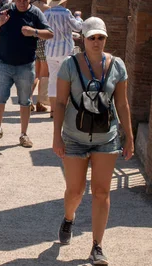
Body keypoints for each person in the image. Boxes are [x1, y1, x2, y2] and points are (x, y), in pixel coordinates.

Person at [52, 17, 134, 265]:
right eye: (92, 38)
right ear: (83, 39)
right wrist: (56, 136)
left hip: (106, 137)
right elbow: (59, 102)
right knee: (75, 190)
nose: (97, 42)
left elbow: (122, 103)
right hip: (75, 137)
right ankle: (69, 217)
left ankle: (97, 246)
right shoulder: (69, 65)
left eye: (101, 38)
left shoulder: (117, 65)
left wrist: (129, 137)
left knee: (101, 192)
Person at [0, 0, 53, 148]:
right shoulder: (7, 9)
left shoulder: (36, 13)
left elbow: (50, 33)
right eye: (19, 1)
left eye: (25, 1)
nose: (22, 4)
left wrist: (34, 32)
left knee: (25, 101)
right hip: (4, 63)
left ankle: (24, 134)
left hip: (25, 65)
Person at [45, 0, 83, 120]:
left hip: (50, 51)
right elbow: (78, 27)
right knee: (68, 81)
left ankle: (53, 111)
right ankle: (65, 110)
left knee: (52, 81)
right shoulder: (66, 13)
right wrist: (78, 16)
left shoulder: (47, 13)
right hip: (65, 52)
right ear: (64, 1)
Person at [31, 0, 52, 114]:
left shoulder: (33, 6)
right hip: (43, 42)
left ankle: (28, 100)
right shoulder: (47, 8)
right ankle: (40, 102)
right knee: (44, 73)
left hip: (33, 41)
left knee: (36, 73)